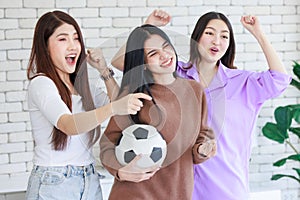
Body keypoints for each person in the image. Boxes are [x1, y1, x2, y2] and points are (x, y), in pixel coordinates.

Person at [111, 9, 291, 200]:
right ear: (196, 38)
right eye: (210, 33)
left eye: (224, 36)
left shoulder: (243, 83)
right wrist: (149, 28)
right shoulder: (175, 73)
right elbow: (123, 62)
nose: (217, 41)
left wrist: (259, 33)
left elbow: (280, 80)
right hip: (180, 188)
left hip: (225, 187)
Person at [25, 10, 152, 200]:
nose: (73, 46)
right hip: (54, 182)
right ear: (45, 46)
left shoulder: (83, 87)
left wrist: (103, 68)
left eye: (76, 38)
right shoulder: (42, 83)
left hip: (89, 179)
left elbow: (119, 104)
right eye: (63, 39)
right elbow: (68, 124)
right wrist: (112, 109)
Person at [99, 24, 216, 200]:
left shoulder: (195, 90)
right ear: (143, 64)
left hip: (178, 193)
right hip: (135, 195)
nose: (164, 55)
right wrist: (121, 171)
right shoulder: (134, 95)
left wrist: (203, 150)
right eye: (153, 54)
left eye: (166, 46)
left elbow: (202, 137)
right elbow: (107, 145)